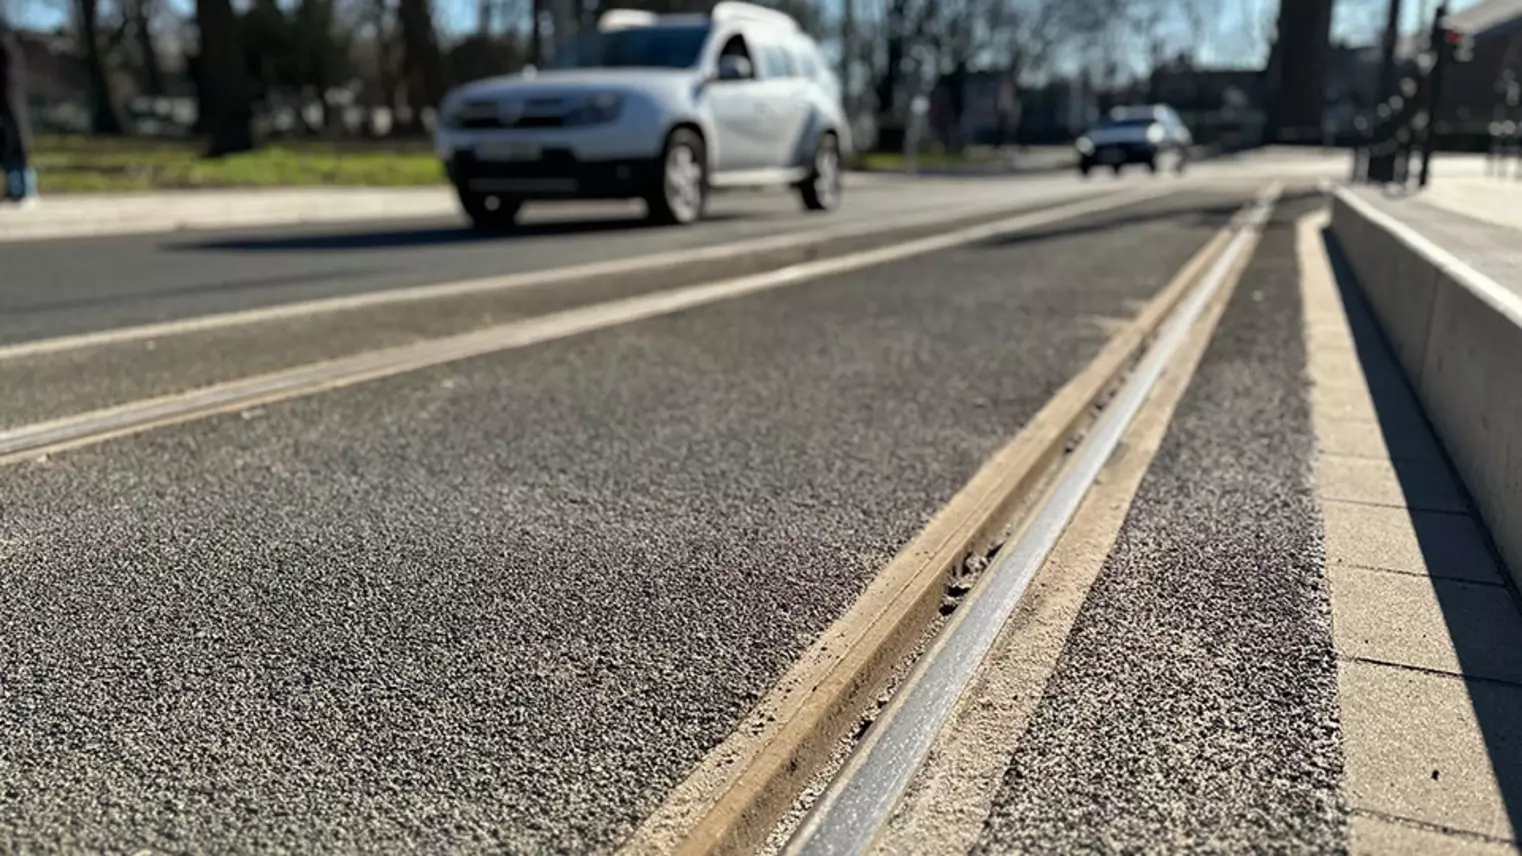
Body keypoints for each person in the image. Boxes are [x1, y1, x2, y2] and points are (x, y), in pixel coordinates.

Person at [0, 16, 37, 206]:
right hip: (8, 106)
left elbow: (10, 79)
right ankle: (16, 189)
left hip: (9, 105)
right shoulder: (9, 48)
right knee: (8, 149)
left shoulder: (7, 48)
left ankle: (24, 189)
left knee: (15, 148)